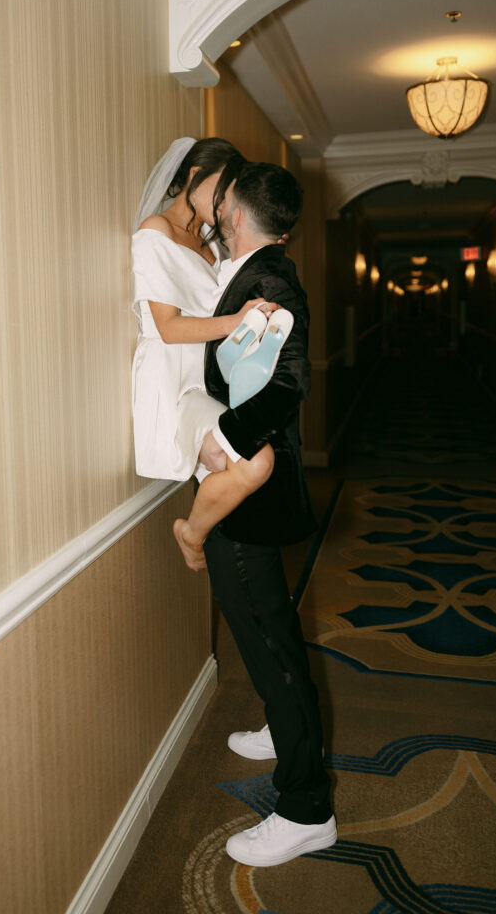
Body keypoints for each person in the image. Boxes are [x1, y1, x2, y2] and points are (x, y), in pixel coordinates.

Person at [197, 161, 336, 866]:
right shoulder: (252, 268)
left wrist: (221, 440)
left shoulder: (272, 281)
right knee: (262, 630)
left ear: (235, 211)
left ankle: (306, 807)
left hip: (251, 487)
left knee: (268, 641)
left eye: (220, 200)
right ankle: (284, 733)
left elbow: (285, 386)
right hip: (248, 486)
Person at [132, 138, 283, 569]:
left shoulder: (210, 245)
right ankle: (192, 534)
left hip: (206, 374)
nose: (223, 205)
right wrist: (236, 320)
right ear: (194, 177)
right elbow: (168, 327)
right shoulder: (155, 232)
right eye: (221, 190)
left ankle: (202, 537)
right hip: (172, 377)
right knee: (254, 461)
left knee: (237, 462)